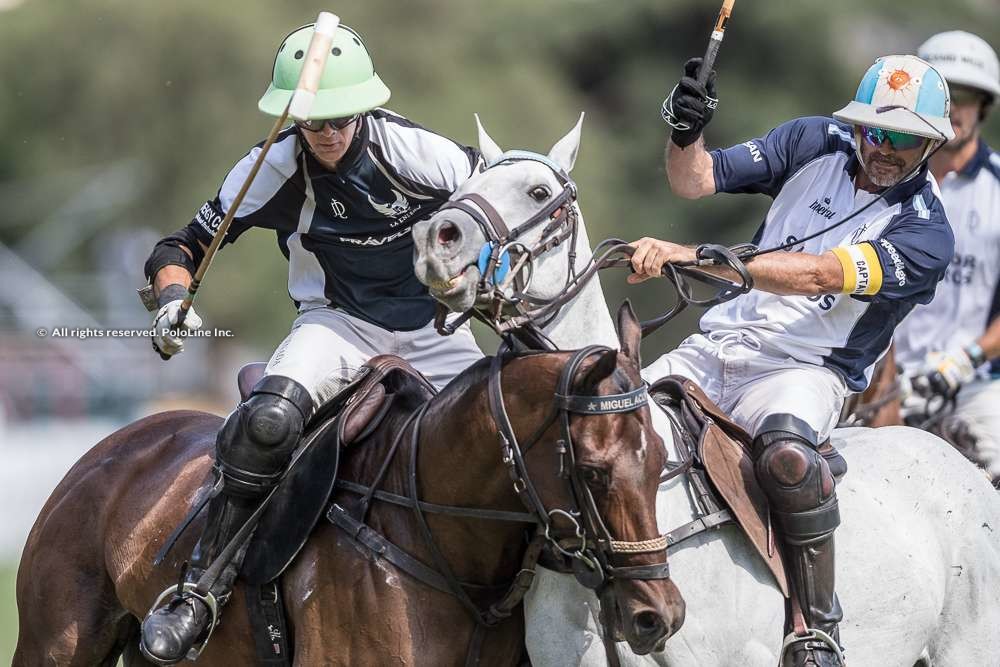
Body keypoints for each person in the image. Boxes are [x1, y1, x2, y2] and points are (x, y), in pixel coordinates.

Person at [138, 21, 484, 664]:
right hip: (337, 324)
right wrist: (173, 301)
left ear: (364, 107)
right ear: (290, 117)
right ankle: (200, 588)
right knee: (266, 420)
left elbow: (500, 210)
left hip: (437, 330)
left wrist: (478, 274)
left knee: (506, 435)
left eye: (340, 118)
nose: (327, 134)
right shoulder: (269, 166)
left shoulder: (418, 152)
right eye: (312, 121)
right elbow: (180, 247)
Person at [632, 54, 955, 666]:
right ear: (858, 125)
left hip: (804, 371)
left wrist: (690, 255)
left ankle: (816, 629)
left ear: (931, 144)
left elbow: (816, 275)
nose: (886, 149)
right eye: (877, 131)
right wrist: (685, 130)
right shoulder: (814, 139)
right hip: (718, 344)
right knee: (605, 428)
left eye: (907, 140)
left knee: (787, 456)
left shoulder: (926, 234)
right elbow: (692, 180)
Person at [893, 31, 1000, 483]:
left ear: (984, 106)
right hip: (879, 378)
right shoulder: (885, 178)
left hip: (972, 383)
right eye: (944, 94)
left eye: (967, 96)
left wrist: (963, 360)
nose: (954, 108)